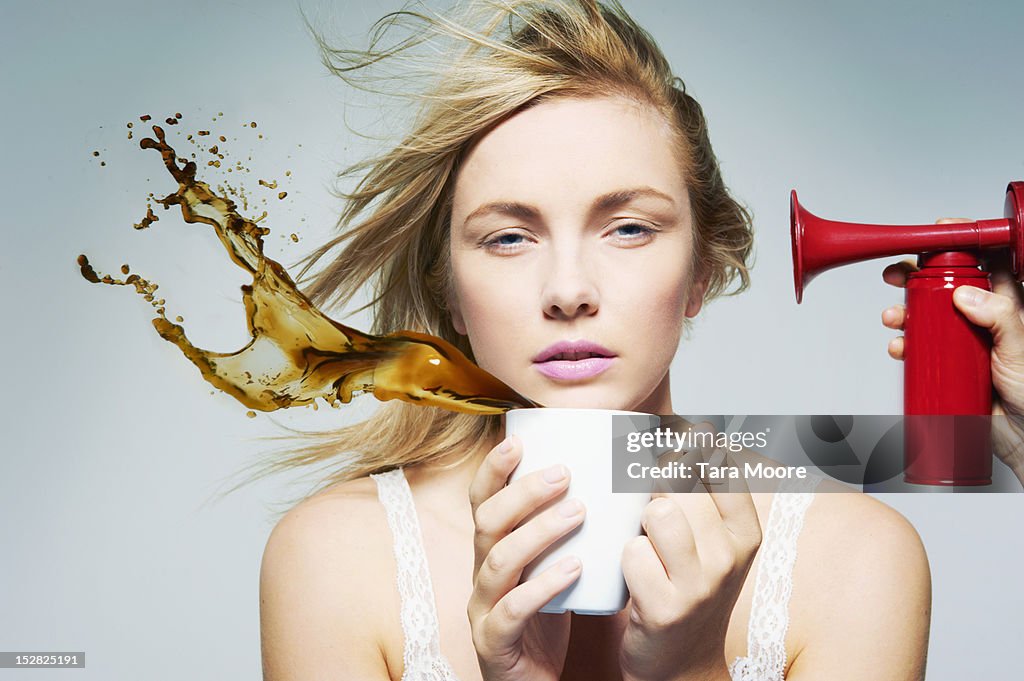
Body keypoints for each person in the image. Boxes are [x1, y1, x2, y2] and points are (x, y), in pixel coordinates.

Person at [256, 1, 1015, 679]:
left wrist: (695, 670)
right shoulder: (334, 561)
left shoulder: (853, 561)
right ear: (451, 292)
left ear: (702, 273)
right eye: (510, 236)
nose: (567, 291)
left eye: (629, 228)